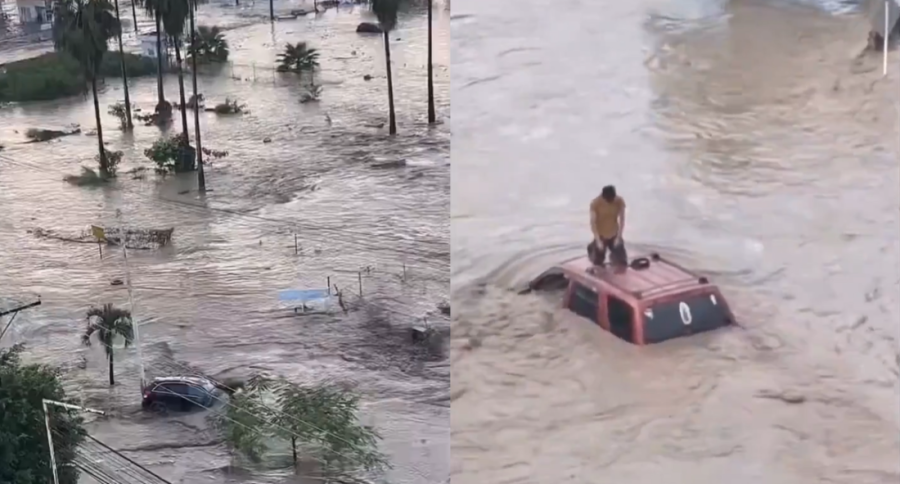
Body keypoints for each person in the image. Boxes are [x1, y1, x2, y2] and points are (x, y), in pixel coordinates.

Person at [589, 185, 627, 267]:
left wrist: (619, 237)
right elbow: (593, 223)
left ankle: (613, 256)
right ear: (603, 197)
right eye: (609, 200)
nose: (611, 201)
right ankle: (592, 248)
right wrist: (598, 240)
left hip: (614, 234)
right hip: (601, 235)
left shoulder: (619, 201)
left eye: (612, 199)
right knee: (598, 262)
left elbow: (622, 219)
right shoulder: (595, 203)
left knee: (622, 261)